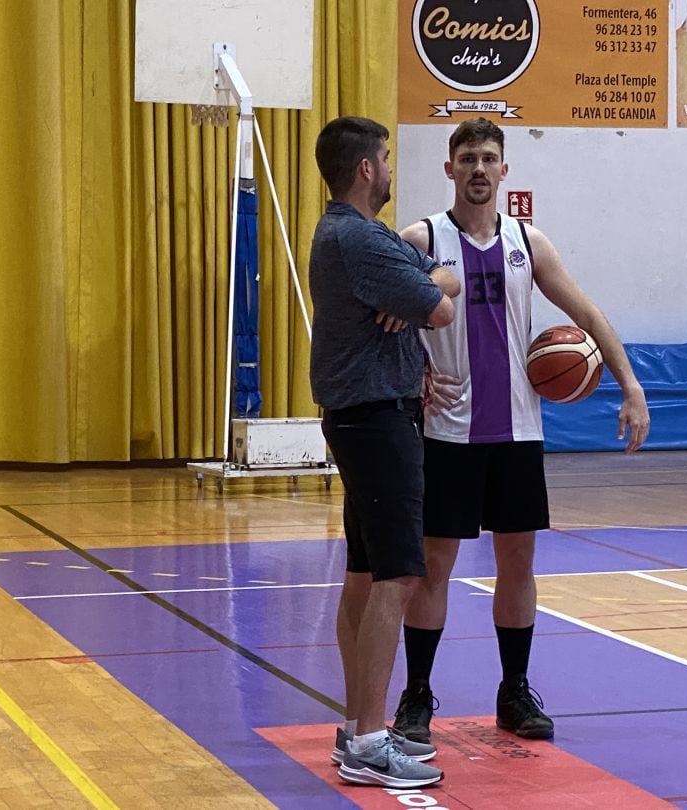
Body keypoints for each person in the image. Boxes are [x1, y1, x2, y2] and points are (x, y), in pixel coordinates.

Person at [391, 117, 650, 744]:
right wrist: (415, 372)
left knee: (518, 563)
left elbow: (584, 311)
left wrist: (632, 386)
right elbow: (379, 320)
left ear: (505, 170)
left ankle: (513, 690)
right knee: (434, 567)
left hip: (517, 432)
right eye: (467, 158)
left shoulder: (528, 243)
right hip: (446, 432)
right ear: (448, 168)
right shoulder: (420, 238)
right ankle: (419, 693)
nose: (478, 169)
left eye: (488, 158)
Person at [309, 116, 460, 788]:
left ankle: (357, 724)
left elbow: (443, 278)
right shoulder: (361, 239)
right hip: (377, 418)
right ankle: (370, 740)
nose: (393, 168)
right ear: (367, 169)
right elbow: (445, 306)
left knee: (367, 574)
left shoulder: (349, 236)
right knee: (400, 573)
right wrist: (423, 297)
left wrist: (423, 294)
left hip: (361, 416)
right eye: (388, 158)